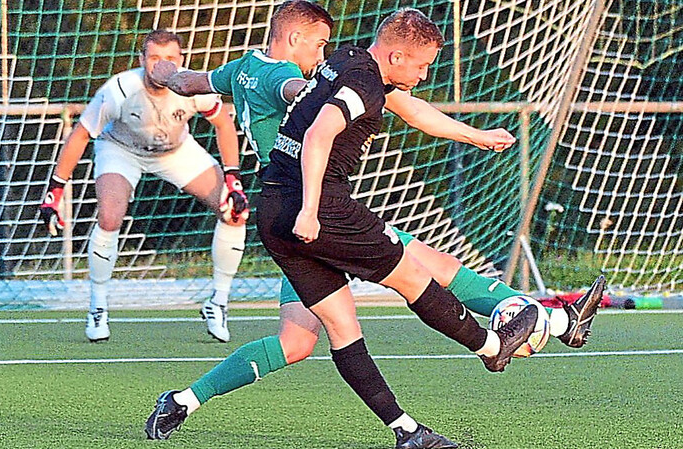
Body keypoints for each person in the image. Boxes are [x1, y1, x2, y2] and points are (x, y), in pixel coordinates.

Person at [145, 4, 606, 448]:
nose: (321, 54)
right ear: (294, 38)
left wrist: (160, 73)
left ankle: (184, 401)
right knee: (422, 272)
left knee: (302, 340)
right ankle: (517, 335)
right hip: (315, 206)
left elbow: (189, 80)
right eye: (318, 43)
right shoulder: (286, 76)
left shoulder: (243, 69)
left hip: (279, 210)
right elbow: (311, 115)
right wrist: (315, 114)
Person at [39, 30, 249, 343]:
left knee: (234, 211)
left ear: (181, 61)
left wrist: (233, 178)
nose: (161, 66)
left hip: (176, 152)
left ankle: (218, 303)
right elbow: (81, 135)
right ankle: (98, 307)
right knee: (109, 217)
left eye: (169, 59)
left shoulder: (193, 86)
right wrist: (54, 192)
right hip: (121, 151)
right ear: (142, 61)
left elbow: (223, 124)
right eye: (154, 58)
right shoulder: (120, 89)